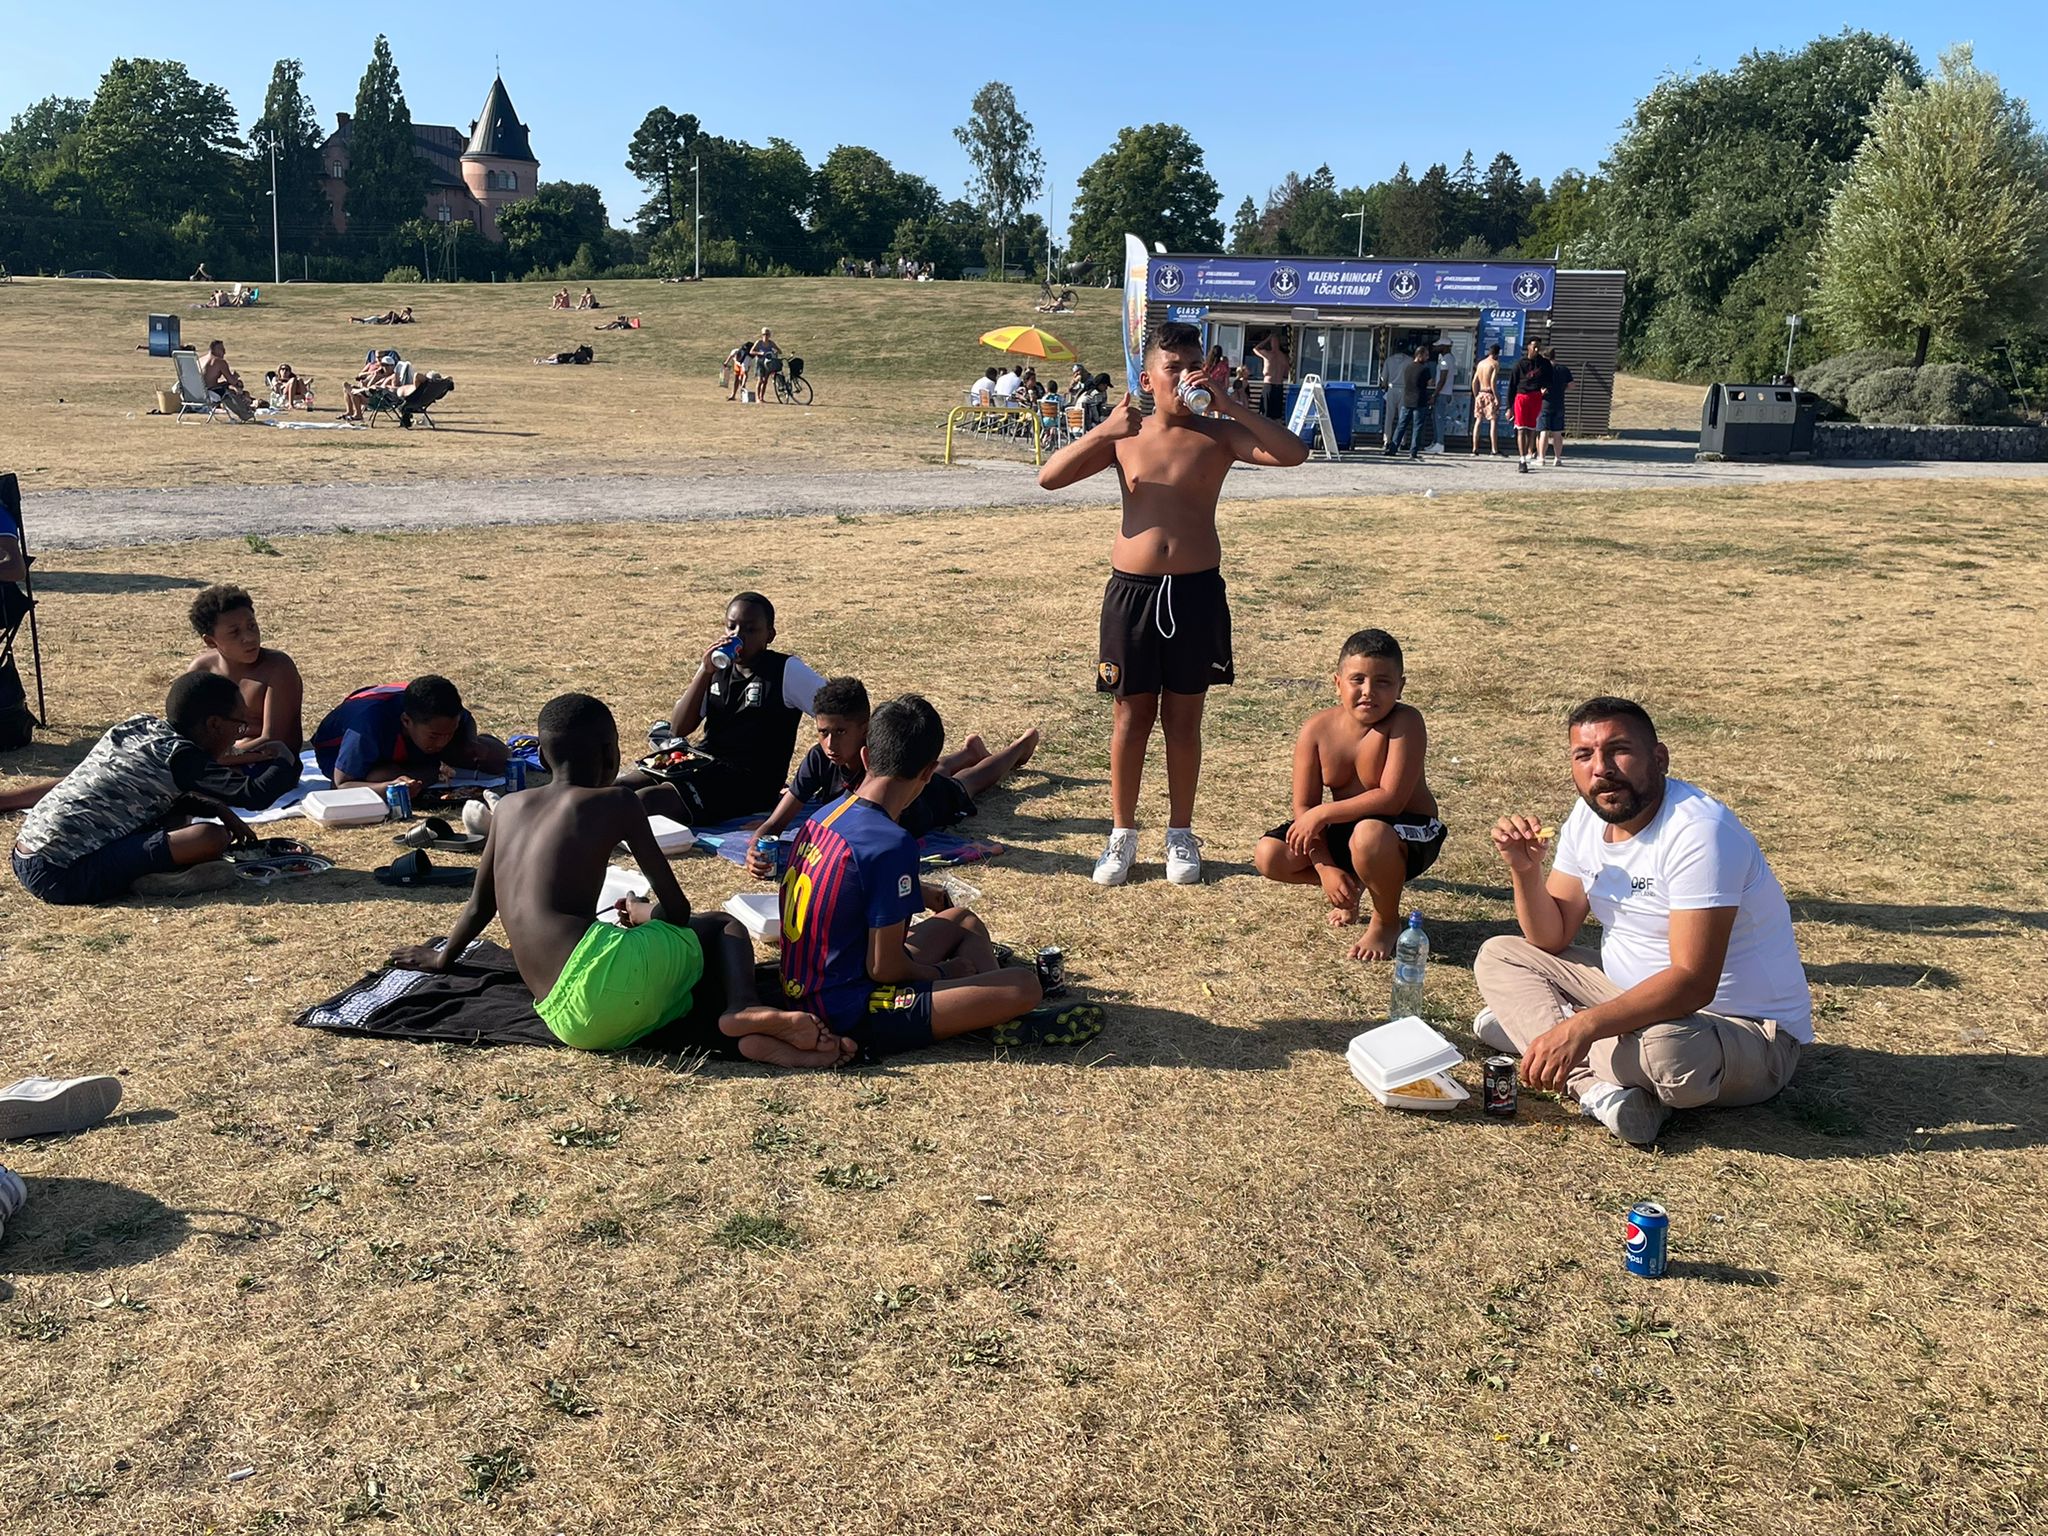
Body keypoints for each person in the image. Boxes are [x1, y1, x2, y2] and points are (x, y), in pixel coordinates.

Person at [391, 693, 849, 1066]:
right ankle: (742, 1008)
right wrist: (642, 911)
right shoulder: (617, 802)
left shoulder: (508, 808)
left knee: (652, 953)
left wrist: (442, 958)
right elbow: (679, 911)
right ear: (611, 753)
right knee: (720, 927)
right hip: (607, 981)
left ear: (543, 755)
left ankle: (724, 1012)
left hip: (566, 1020)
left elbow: (480, 905)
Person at [1037, 320, 1310, 887]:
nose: (1186, 377)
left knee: (1184, 721)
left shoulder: (1218, 435)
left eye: (1194, 367)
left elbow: (1294, 453)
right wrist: (1104, 430)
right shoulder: (1126, 435)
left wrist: (1229, 403)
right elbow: (1049, 478)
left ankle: (1180, 832)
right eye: (1174, 368)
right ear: (1148, 379)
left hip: (1195, 593)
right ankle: (1122, 833)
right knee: (1131, 716)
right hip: (1132, 595)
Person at [1475, 697, 1811, 1146]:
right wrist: (1525, 871)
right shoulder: (1587, 815)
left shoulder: (1699, 832)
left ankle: (1539, 1032)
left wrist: (1581, 1028)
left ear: (1659, 758)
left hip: (1738, 1030)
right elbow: (1551, 936)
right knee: (1500, 955)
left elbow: (1693, 983)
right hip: (1630, 999)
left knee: (1669, 1052)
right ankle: (1596, 1090)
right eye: (1584, 755)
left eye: (1619, 750)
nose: (1601, 768)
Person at [778, 695, 1097, 1058]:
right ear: (929, 773)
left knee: (962, 920)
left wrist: (917, 891)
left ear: (865, 756)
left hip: (810, 982)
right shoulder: (890, 843)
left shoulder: (825, 815)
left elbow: (849, 884)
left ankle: (987, 1013)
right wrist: (944, 972)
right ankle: (990, 1010)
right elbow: (884, 968)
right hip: (849, 1010)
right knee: (1024, 985)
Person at [11, 671, 299, 905]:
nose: (238, 737)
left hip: (28, 855)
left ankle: (151, 867)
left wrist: (216, 807)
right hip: (62, 875)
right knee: (210, 837)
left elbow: (146, 796)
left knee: (179, 816)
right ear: (213, 724)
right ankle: (158, 880)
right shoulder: (181, 757)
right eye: (238, 726)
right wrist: (286, 758)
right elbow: (254, 795)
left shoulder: (140, 726)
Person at [1253, 629, 1445, 961]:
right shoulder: (1316, 729)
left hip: (1409, 831)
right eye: (1358, 680)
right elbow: (1304, 807)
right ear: (1337, 682)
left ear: (1400, 687)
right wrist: (1325, 868)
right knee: (1269, 854)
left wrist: (1322, 814)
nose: (1368, 691)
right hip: (1352, 829)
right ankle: (1349, 887)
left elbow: (1391, 799)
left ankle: (1386, 920)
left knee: (1368, 835)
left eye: (1383, 682)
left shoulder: (1406, 722)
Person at [741, 676, 1040, 877]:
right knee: (934, 769)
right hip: (916, 775)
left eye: (841, 732)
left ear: (865, 730)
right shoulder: (819, 758)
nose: (830, 744)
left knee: (965, 785)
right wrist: (756, 847)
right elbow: (776, 822)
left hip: (923, 802)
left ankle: (1018, 748)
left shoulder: (882, 762)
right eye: (823, 732)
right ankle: (968, 753)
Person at [630, 592, 825, 826]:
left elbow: (838, 709)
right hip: (703, 762)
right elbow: (679, 728)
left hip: (748, 781)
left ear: (769, 635)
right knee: (622, 788)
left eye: (750, 629)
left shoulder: (785, 670)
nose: (737, 636)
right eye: (731, 627)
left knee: (646, 801)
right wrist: (704, 672)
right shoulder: (716, 668)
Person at [311, 675, 509, 791]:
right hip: (338, 754)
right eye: (434, 736)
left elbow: (466, 719)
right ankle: (429, 772)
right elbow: (341, 784)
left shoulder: (442, 711)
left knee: (498, 758)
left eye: (450, 733)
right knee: (382, 775)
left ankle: (430, 769)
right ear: (406, 721)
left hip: (410, 744)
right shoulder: (368, 725)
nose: (442, 743)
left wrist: (470, 741)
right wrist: (387, 787)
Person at [186, 584, 304, 759]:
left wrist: (222, 758)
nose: (249, 638)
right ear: (211, 641)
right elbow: (190, 733)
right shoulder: (201, 671)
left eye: (252, 626)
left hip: (269, 762)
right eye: (234, 632)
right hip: (218, 763)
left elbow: (275, 741)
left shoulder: (277, 667)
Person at [1509, 342, 1553, 473]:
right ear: (1528, 347)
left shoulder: (1544, 363)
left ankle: (1528, 453)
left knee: (1531, 429)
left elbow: (1550, 379)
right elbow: (1512, 385)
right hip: (1522, 396)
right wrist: (1509, 406)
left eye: (1538, 347)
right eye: (1534, 347)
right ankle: (1522, 460)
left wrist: (1546, 387)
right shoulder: (1520, 364)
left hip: (1535, 396)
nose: (1537, 349)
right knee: (1521, 429)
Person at [1383, 347, 1432, 460]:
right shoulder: (1425, 369)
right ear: (1419, 355)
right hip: (1419, 400)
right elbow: (1430, 383)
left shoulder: (1408, 367)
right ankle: (1413, 451)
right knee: (1417, 427)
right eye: (1425, 355)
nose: (1427, 358)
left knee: (1401, 425)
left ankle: (1393, 448)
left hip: (1407, 400)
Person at [200, 340, 255, 421]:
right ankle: (245, 414)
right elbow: (232, 381)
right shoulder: (219, 361)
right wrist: (235, 377)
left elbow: (208, 380)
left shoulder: (200, 360)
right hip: (210, 394)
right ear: (216, 350)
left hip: (197, 393)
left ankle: (245, 407)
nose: (224, 352)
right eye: (222, 349)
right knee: (230, 392)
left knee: (226, 386)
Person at [1470, 342, 1504, 457]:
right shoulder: (1495, 364)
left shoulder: (1480, 364)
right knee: (1493, 421)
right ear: (1497, 354)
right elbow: (1493, 382)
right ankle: (1494, 449)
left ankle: (1475, 448)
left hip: (1480, 393)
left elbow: (1474, 381)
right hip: (1489, 393)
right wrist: (1496, 397)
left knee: (1478, 420)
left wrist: (1476, 395)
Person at [1540, 352, 1574, 466]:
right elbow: (1572, 385)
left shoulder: (1542, 370)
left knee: (1544, 432)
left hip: (1545, 404)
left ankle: (1542, 458)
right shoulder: (1564, 369)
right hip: (1559, 404)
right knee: (1557, 433)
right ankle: (1557, 458)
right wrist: (1562, 388)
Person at [1424, 343, 1458, 455]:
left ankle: (1439, 443)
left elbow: (1442, 379)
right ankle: (1436, 442)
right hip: (1446, 392)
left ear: (1445, 347)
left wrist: (1435, 394)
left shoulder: (1445, 360)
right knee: (1437, 418)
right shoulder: (1451, 358)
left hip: (1442, 393)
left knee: (1438, 419)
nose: (1436, 348)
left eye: (1439, 346)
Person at [1252, 331, 1291, 420]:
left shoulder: (1269, 354)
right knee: (1273, 413)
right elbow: (1287, 371)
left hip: (1271, 384)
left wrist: (1267, 339)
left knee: (1268, 413)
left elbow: (1255, 349)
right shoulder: (1282, 356)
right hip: (1277, 384)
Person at [751, 327, 783, 404]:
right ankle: (757, 398)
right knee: (760, 380)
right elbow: (751, 351)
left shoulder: (771, 343)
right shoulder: (759, 342)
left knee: (765, 381)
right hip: (760, 363)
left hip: (768, 364)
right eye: (764, 334)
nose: (765, 336)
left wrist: (775, 352)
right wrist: (759, 353)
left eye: (767, 334)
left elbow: (780, 351)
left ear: (769, 335)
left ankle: (762, 397)